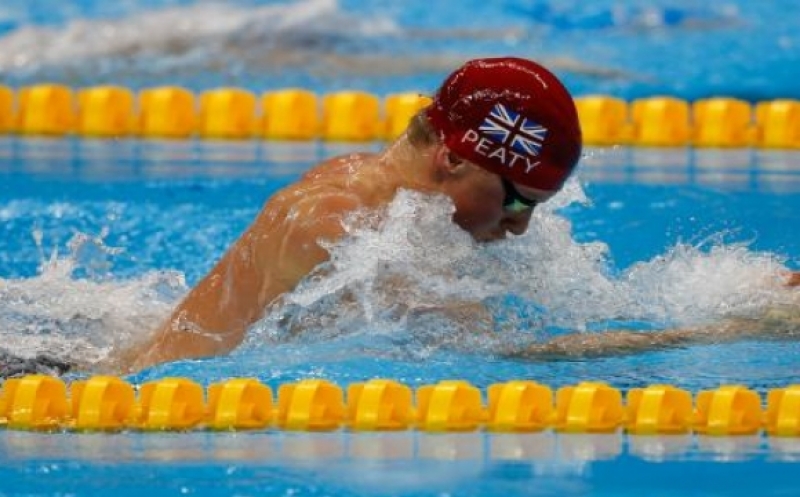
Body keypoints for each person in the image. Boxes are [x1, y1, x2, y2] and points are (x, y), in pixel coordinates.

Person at [117, 56, 799, 372]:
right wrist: (735, 329)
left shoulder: (390, 203)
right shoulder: (336, 228)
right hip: (134, 406)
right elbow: (500, 359)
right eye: (515, 199)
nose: (522, 224)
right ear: (453, 158)